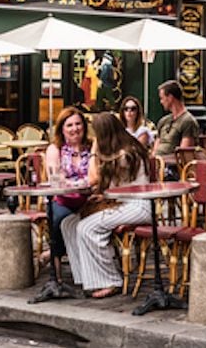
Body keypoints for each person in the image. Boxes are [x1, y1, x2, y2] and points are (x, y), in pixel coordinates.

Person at [60, 112, 152, 298]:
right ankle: (85, 278)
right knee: (68, 224)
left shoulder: (126, 153)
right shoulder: (117, 151)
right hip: (120, 203)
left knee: (87, 227)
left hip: (137, 206)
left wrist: (94, 149)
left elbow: (93, 178)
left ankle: (110, 280)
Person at [44, 106, 92, 261]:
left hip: (90, 200)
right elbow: (56, 179)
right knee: (60, 218)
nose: (75, 129)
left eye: (78, 124)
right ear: (62, 129)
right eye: (69, 125)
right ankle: (56, 258)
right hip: (63, 200)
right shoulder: (55, 149)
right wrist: (82, 183)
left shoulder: (92, 147)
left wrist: (73, 182)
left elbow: (98, 175)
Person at [152, 80, 198, 157]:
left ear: (170, 98)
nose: (161, 102)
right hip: (158, 163)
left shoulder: (188, 121)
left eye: (162, 98)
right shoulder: (163, 121)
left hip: (172, 165)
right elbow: (155, 149)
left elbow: (183, 154)